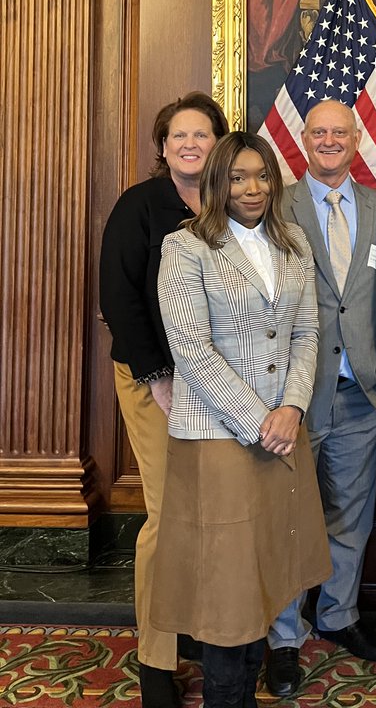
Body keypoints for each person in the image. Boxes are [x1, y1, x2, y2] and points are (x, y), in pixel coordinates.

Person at [151, 132, 331, 708]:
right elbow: (192, 349)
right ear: (217, 182)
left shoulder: (294, 240)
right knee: (226, 589)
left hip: (283, 431)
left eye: (262, 175)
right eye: (237, 177)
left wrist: (292, 408)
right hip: (219, 435)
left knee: (269, 572)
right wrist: (260, 421)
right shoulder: (186, 247)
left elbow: (307, 333)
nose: (252, 188)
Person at [99, 91, 229, 708]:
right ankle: (155, 660)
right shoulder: (140, 205)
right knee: (168, 513)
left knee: (211, 511)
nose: (190, 144)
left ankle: (194, 629)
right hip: (156, 380)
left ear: (218, 144)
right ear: (163, 146)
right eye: (179, 135)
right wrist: (156, 376)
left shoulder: (231, 205)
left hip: (220, 383)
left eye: (201, 135)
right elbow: (118, 298)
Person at [265, 101, 376, 697]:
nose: (329, 140)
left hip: (362, 389)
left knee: (351, 513)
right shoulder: (276, 203)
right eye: (319, 132)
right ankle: (283, 637)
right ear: (304, 138)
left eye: (339, 132)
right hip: (292, 394)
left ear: (356, 137)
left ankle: (338, 615)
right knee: (289, 518)